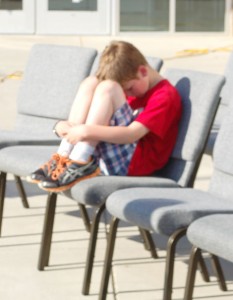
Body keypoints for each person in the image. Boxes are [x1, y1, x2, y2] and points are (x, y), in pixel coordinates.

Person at [27, 40, 182, 192]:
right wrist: (64, 126)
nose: (127, 94)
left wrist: (86, 131)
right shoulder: (136, 84)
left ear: (142, 71)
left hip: (134, 163)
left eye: (129, 89)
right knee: (92, 82)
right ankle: (64, 156)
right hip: (112, 154)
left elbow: (131, 134)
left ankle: (81, 159)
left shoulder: (165, 96)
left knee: (108, 88)